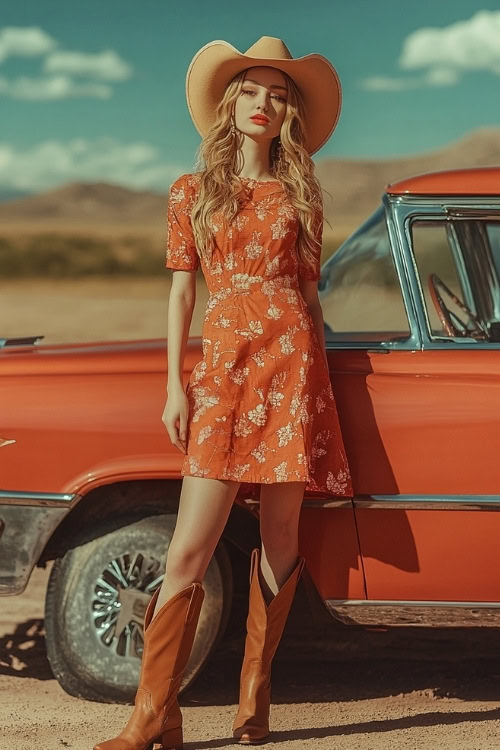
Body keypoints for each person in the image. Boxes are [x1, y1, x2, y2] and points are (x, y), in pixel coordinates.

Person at [93, 35, 352, 750]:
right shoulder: (190, 192)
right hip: (223, 372)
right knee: (187, 550)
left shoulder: (302, 192)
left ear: (287, 111)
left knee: (280, 536)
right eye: (251, 90)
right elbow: (181, 294)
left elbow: (309, 296)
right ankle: (155, 713)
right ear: (230, 102)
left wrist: (318, 393)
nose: (263, 103)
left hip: (292, 365)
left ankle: (253, 703)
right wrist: (175, 384)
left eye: (277, 94)